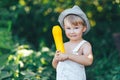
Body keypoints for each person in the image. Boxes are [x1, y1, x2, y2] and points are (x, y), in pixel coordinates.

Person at [52, 5, 93, 80]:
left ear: (84, 28)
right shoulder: (63, 45)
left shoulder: (84, 45)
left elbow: (88, 60)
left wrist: (68, 56)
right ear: (64, 29)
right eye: (68, 28)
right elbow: (56, 66)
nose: (72, 32)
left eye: (76, 28)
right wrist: (56, 59)